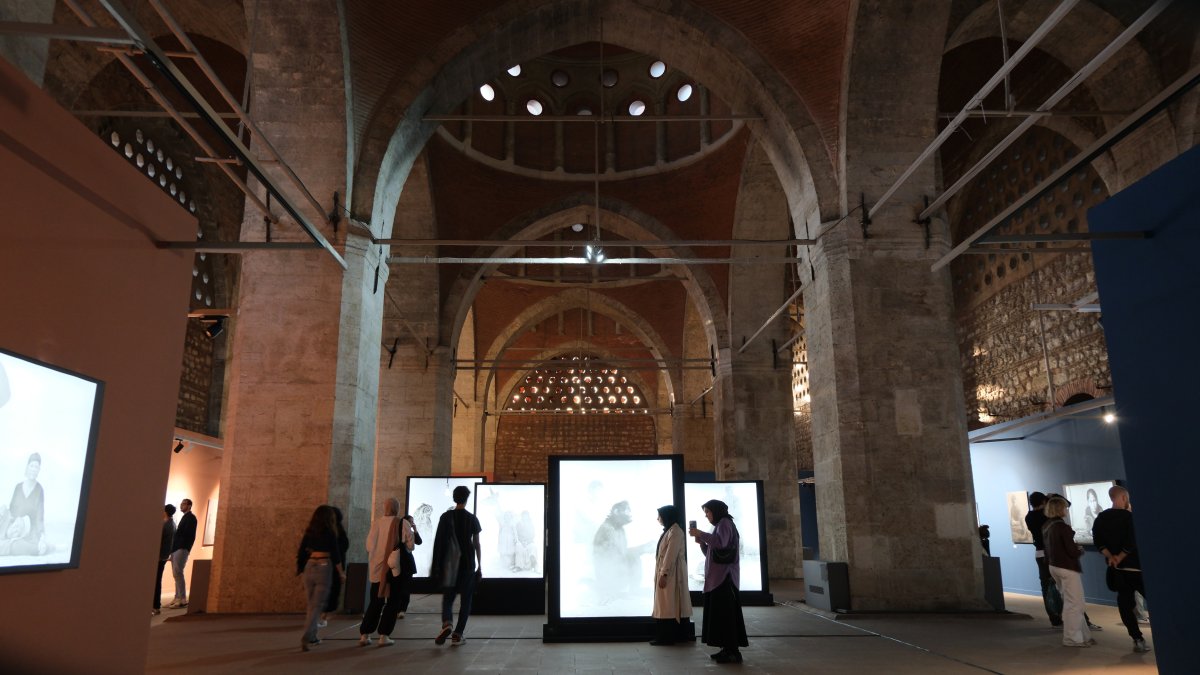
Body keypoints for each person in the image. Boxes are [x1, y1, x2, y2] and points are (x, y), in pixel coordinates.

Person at [1092, 485, 1151, 653]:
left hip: (1117, 571)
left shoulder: (1101, 518)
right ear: (1124, 497)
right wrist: (1120, 556)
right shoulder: (1130, 517)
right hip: (1137, 569)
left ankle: (1137, 639)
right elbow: (1132, 541)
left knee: (1125, 606)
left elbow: (1098, 541)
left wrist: (1111, 557)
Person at [689, 499, 748, 664]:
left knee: (726, 615)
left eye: (708, 512)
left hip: (724, 579)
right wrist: (702, 542)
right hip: (718, 579)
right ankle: (726, 649)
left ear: (716, 510)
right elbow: (714, 553)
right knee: (721, 616)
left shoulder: (725, 523)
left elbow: (721, 544)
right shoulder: (721, 525)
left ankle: (732, 652)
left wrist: (701, 534)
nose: (706, 516)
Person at [430, 485, 481, 646]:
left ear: (454, 498)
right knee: (466, 601)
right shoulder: (472, 518)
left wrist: (436, 564)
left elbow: (438, 541)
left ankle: (447, 623)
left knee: (448, 598)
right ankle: (458, 634)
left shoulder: (446, 517)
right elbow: (476, 543)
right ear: (466, 499)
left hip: (450, 564)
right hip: (468, 564)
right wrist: (480, 565)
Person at [1043, 496, 1092, 648]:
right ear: (1060, 509)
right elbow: (1071, 551)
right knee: (1075, 604)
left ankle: (1083, 635)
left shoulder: (1047, 525)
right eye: (1065, 507)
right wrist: (1079, 550)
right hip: (1067, 567)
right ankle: (1072, 638)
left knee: (1071, 602)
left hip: (1054, 566)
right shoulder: (1062, 527)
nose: (1066, 510)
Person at [296, 504, 345, 652]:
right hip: (324, 566)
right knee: (317, 605)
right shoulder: (330, 532)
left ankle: (312, 636)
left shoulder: (310, 531)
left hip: (310, 566)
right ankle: (307, 635)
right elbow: (336, 554)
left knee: (311, 605)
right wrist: (341, 573)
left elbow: (301, 551)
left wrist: (300, 569)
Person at [359, 498, 402, 647]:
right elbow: (409, 544)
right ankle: (384, 635)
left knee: (375, 601)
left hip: (376, 570)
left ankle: (365, 634)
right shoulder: (400, 523)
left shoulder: (376, 523)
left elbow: (369, 545)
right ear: (397, 508)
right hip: (392, 570)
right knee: (392, 602)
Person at [650, 504, 692, 646]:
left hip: (672, 574)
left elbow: (670, 555)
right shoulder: (670, 530)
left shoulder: (675, 532)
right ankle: (670, 636)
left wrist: (664, 574)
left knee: (668, 605)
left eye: (660, 516)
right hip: (669, 572)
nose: (658, 519)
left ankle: (667, 637)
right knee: (668, 604)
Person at [1024, 492, 1063, 627]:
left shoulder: (1029, 516)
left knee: (1046, 586)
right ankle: (1074, 617)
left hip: (1039, 553)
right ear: (1043, 502)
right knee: (1064, 584)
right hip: (1052, 553)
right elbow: (1067, 505)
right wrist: (1053, 496)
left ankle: (1054, 618)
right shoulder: (1046, 515)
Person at [8, 453, 46, 556]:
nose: (33, 469)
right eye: (31, 466)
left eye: (36, 467)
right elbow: (11, 511)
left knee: (38, 547)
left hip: (31, 531)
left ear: (39, 470)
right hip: (16, 528)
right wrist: (14, 526)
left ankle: (48, 547)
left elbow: (39, 516)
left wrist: (42, 536)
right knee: (9, 543)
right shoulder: (18, 487)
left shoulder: (39, 490)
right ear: (27, 467)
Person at [320, 506, 350, 627]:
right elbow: (341, 548)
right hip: (334, 564)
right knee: (331, 590)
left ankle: (323, 615)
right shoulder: (336, 531)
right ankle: (323, 615)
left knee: (330, 590)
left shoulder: (331, 530)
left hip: (329, 564)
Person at [167, 499, 197, 608]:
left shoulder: (191, 518)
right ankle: (177, 597)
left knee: (178, 573)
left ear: (189, 506)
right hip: (177, 548)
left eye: (184, 504)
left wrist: (184, 547)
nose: (181, 505)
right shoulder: (185, 517)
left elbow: (187, 534)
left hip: (182, 548)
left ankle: (182, 599)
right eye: (181, 504)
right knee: (176, 573)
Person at [394, 513, 421, 618]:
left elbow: (419, 542)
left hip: (408, 564)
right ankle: (397, 608)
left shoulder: (411, 534)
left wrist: (415, 530)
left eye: (412, 522)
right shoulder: (398, 534)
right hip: (398, 562)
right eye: (410, 522)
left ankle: (402, 609)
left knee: (406, 587)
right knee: (398, 587)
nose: (411, 523)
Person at [153, 504, 177, 615]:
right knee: (157, 579)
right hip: (164, 555)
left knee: (156, 580)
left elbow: (159, 540)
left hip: (160, 556)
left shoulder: (165, 524)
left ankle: (156, 605)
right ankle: (156, 605)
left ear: (165, 512)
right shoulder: (173, 524)